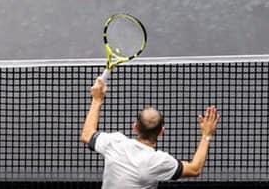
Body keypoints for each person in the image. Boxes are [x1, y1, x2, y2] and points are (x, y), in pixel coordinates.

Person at [81, 77, 221, 188]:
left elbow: (87, 135)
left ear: (135, 127)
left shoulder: (115, 143)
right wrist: (206, 135)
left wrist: (97, 99)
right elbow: (195, 169)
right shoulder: (159, 161)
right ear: (162, 132)